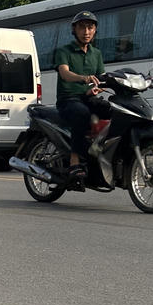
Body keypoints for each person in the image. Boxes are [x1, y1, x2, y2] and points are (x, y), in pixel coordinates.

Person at [54, 11, 110, 184]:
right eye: (82, 27)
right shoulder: (64, 51)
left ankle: (101, 150)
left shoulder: (97, 53)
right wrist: (83, 78)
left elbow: (101, 78)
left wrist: (97, 88)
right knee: (81, 114)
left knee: (112, 110)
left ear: (95, 30)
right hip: (68, 99)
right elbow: (64, 73)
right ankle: (74, 162)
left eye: (90, 27)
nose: (86, 31)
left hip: (87, 98)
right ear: (74, 29)